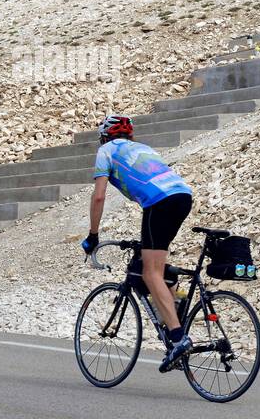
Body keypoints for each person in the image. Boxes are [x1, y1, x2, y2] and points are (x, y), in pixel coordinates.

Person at [82, 114, 194, 372]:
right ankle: (175, 303)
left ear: (105, 136)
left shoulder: (106, 151)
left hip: (158, 203)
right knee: (156, 262)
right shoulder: (144, 148)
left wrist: (93, 235)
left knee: (149, 271)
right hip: (181, 197)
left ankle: (178, 339)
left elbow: (99, 197)